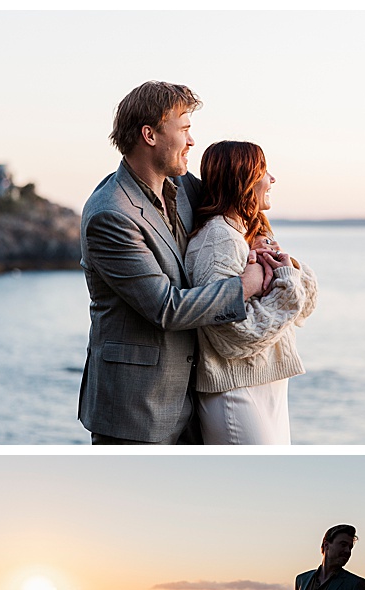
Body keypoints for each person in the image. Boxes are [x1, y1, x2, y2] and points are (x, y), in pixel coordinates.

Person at [78, 81, 286, 444]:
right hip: (135, 411)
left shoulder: (185, 187)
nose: (192, 141)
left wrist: (258, 242)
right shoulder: (111, 214)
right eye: (185, 129)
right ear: (150, 135)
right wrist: (248, 284)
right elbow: (165, 307)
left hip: (194, 402)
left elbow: (231, 205)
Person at [183, 141, 319, 444]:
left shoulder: (251, 233)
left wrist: (287, 266)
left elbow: (305, 306)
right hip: (237, 394)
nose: (272, 179)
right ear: (242, 179)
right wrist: (283, 284)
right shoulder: (219, 239)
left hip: (267, 385)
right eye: (264, 171)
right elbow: (232, 334)